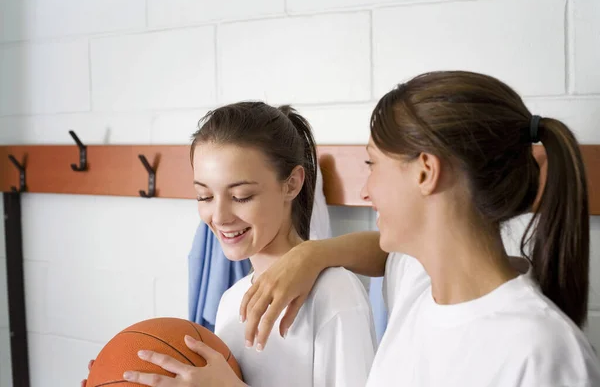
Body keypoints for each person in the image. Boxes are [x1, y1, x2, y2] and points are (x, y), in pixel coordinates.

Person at [237, 72, 600, 386]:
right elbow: (383, 252)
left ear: (426, 171)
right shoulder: (419, 282)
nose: (365, 190)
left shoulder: (541, 352)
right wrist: (311, 253)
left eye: (372, 164)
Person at [84, 102, 376, 387]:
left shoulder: (335, 294)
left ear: (291, 184)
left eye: (241, 196)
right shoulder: (231, 302)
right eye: (205, 197)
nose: (220, 217)